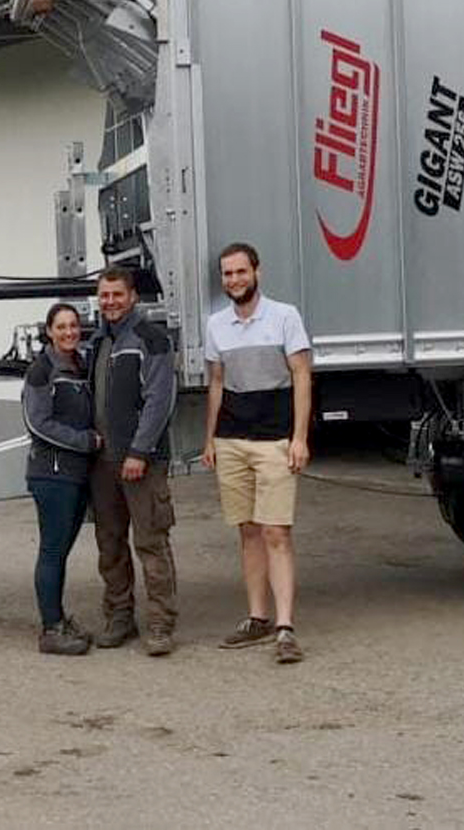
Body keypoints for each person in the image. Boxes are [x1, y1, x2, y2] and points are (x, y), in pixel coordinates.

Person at [201, 242, 312, 665]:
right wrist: (210, 439)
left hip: (274, 441)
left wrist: (299, 437)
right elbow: (216, 382)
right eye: (227, 274)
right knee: (247, 530)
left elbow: (302, 375)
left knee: (276, 532)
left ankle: (286, 627)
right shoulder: (217, 325)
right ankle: (257, 617)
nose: (234, 280)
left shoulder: (284, 317)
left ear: (257, 272)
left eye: (240, 272)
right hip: (232, 440)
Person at [86, 267, 180, 656]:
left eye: (117, 295)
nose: (110, 302)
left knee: (151, 542)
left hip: (141, 462)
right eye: (104, 295)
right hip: (102, 463)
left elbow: (159, 401)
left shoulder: (151, 339)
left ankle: (160, 623)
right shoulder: (98, 341)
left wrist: (139, 452)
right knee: (109, 544)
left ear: (133, 297)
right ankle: (120, 616)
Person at [21, 302, 101, 655]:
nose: (69, 332)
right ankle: (51, 629)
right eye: (61, 327)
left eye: (73, 326)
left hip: (75, 474)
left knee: (61, 550)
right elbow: (39, 423)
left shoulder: (78, 364)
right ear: (49, 331)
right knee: (52, 550)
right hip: (52, 475)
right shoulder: (41, 372)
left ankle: (58, 617)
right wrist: (85, 441)